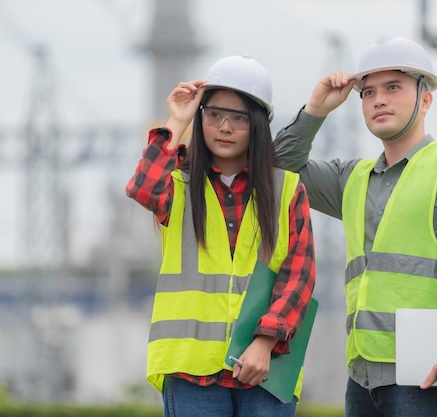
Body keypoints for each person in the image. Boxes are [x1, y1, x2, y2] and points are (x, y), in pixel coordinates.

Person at [273, 33, 437, 417]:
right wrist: (316, 110)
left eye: (393, 87)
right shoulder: (352, 179)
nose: (378, 99)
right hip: (361, 379)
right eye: (368, 92)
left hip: (427, 377)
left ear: (425, 99)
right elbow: (279, 168)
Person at [125, 54, 316, 417]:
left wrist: (265, 341)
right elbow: (143, 188)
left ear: (257, 124)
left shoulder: (287, 190)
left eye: (238, 118)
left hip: (266, 366)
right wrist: (177, 121)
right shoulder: (178, 185)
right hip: (191, 369)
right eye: (213, 115)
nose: (224, 127)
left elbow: (299, 275)